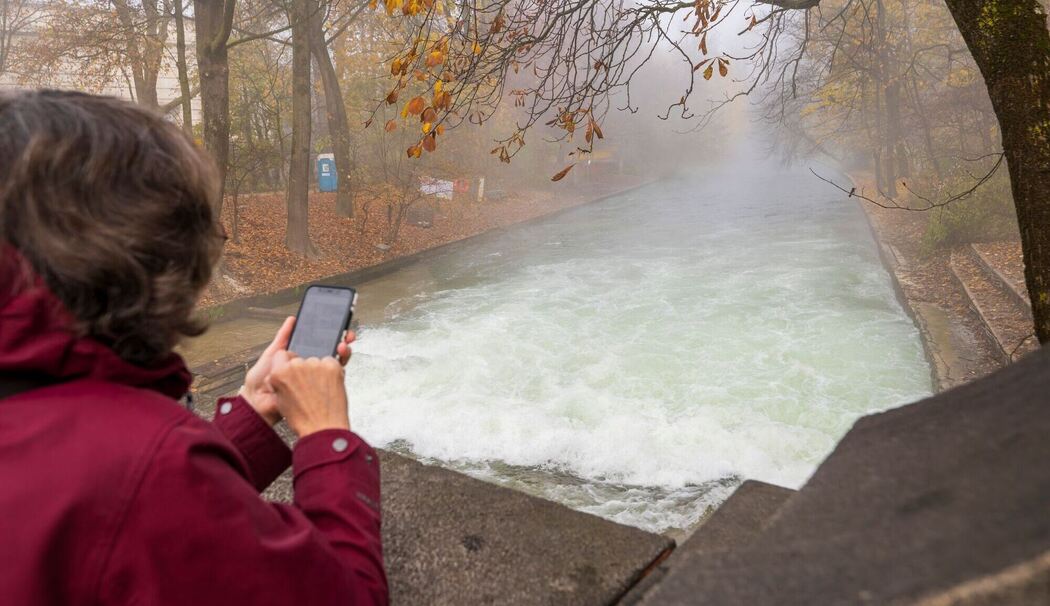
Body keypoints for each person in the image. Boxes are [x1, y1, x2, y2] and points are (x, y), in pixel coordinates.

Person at [0, 90, 388, 605]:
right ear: (156, 253)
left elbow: (121, 522)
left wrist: (252, 411)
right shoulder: (149, 471)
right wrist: (326, 435)